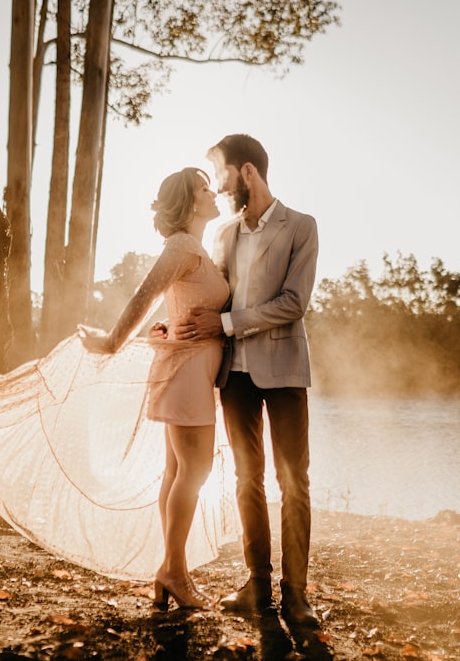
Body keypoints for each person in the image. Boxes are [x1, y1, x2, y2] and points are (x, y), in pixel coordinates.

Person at [176, 134, 320, 627]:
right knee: (245, 481)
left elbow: (293, 303)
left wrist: (229, 324)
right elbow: (215, 297)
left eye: (220, 173)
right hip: (233, 375)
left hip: (284, 372)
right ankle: (257, 585)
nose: (217, 186)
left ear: (248, 173)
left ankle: (295, 593)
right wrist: (173, 321)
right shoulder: (221, 234)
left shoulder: (301, 226)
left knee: (293, 482)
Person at [79, 167, 229, 610]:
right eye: (205, 188)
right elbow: (145, 295)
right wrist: (111, 342)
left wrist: (165, 328)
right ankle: (173, 572)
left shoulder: (196, 248)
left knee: (176, 472)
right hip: (184, 373)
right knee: (194, 471)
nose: (213, 191)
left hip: (191, 370)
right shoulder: (182, 245)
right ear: (190, 202)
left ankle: (172, 571)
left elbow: (175, 305)